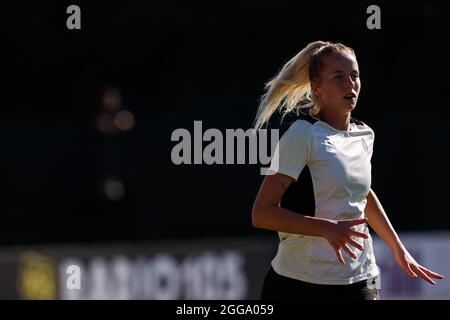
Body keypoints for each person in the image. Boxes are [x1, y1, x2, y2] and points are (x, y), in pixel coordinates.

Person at [251, 41, 444, 300]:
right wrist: (326, 228)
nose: (350, 84)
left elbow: (362, 193)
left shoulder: (365, 134)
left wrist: (398, 249)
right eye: (338, 77)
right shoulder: (302, 134)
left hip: (360, 279)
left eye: (354, 76)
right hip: (298, 282)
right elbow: (262, 213)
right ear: (316, 88)